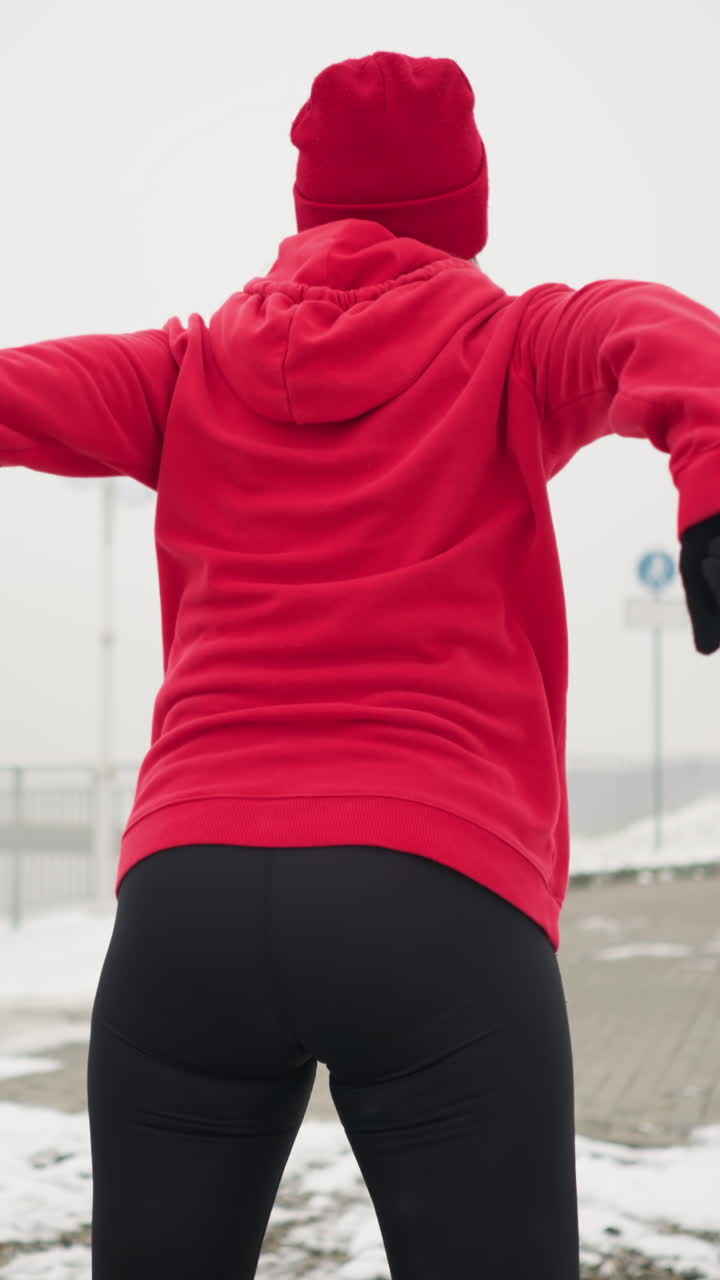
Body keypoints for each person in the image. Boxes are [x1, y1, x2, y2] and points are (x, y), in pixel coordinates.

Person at [2, 48, 720, 1280]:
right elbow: (656, 333)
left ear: (308, 205)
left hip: (186, 901)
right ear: (467, 208)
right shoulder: (511, 344)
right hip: (435, 892)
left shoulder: (188, 365)